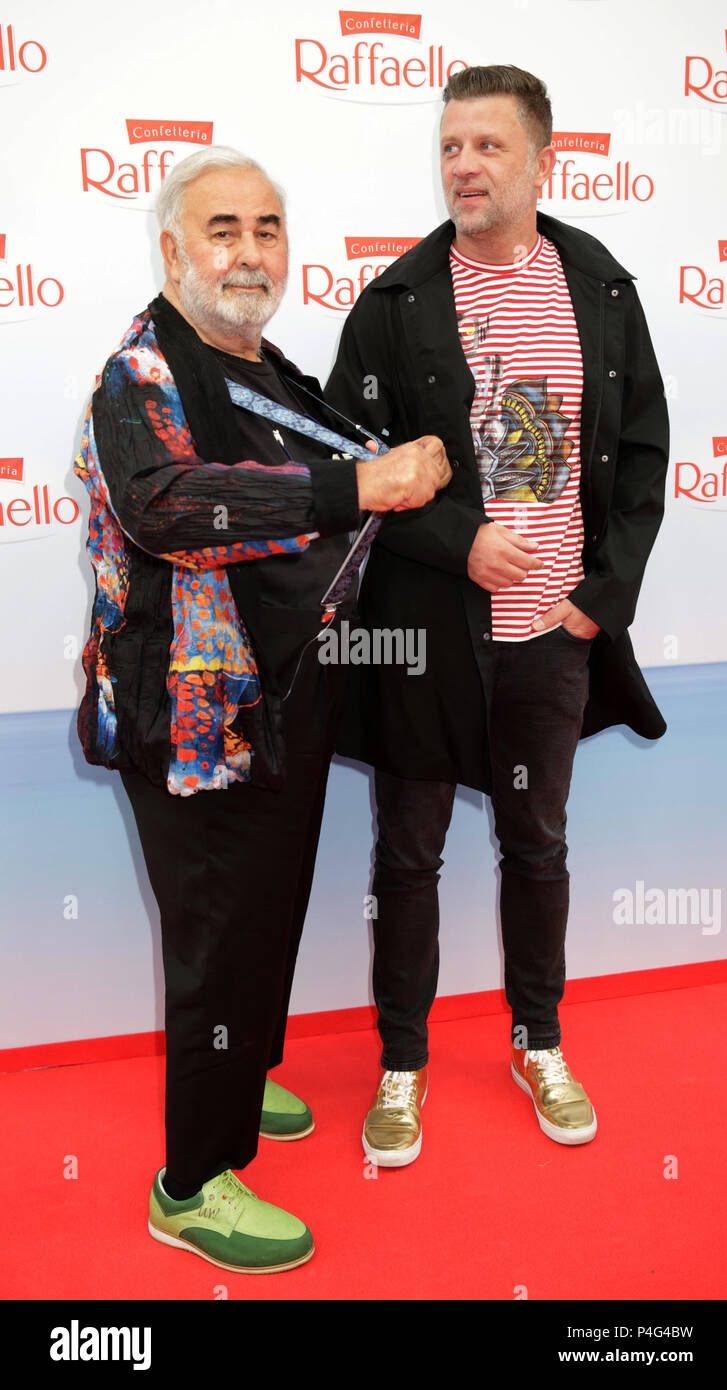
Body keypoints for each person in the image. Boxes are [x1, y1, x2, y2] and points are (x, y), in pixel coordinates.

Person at [74, 146, 450, 1269]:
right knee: (214, 944)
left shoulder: (262, 361)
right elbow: (166, 506)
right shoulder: (139, 373)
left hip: (283, 700)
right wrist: (355, 486)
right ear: (172, 249)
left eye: (267, 229)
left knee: (265, 917)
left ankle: (238, 1072)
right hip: (190, 722)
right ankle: (190, 1182)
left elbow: (339, 470)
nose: (248, 251)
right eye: (223, 228)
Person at [325, 65, 669, 1166]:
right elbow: (350, 468)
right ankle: (401, 1062)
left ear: (540, 160)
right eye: (448, 147)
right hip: (426, 635)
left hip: (549, 637)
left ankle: (537, 1040)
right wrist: (453, 540)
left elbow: (645, 451)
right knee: (406, 856)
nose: (462, 166)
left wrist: (594, 603)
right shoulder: (392, 305)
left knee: (538, 844)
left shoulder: (600, 289)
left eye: (485, 146)